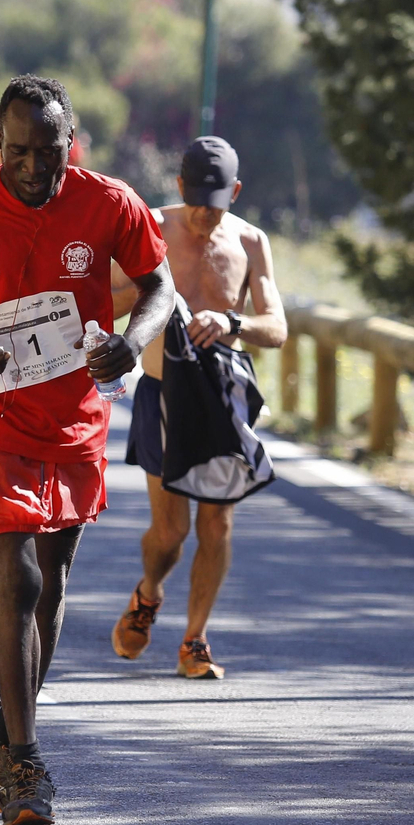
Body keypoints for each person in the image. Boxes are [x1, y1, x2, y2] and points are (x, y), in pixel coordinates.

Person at [0, 76, 175, 825]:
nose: (31, 166)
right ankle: (24, 762)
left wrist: (132, 342)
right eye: (16, 151)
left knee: (52, 582)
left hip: (75, 418)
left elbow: (158, 285)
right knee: (19, 576)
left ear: (70, 141)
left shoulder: (109, 203)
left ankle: (5, 724)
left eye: (47, 151)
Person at [109, 137, 288, 680]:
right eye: (196, 201)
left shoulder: (251, 241)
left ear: (235, 192)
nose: (204, 215)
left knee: (218, 524)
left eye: (216, 204)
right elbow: (107, 300)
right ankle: (148, 593)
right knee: (170, 533)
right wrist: (151, 291)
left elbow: (276, 327)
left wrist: (232, 322)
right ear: (180, 186)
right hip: (163, 391)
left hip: (221, 393)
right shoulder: (151, 227)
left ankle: (195, 640)